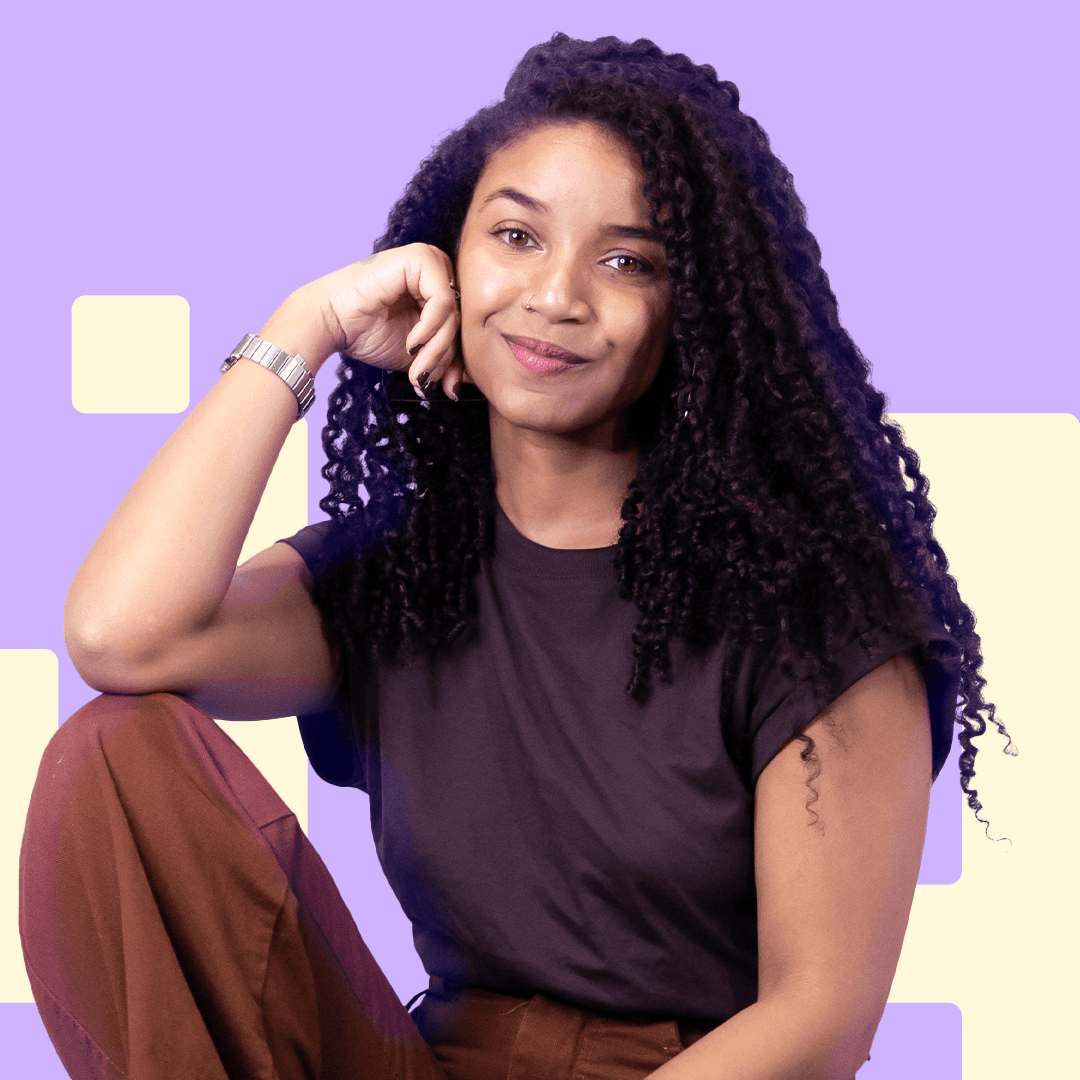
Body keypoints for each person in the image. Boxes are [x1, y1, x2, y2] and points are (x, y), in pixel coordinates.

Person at [22, 32, 1013, 1080]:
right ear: (445, 260)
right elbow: (120, 636)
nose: (555, 297)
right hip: (421, 1058)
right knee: (112, 754)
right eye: (515, 236)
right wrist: (302, 325)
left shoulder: (813, 618)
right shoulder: (403, 575)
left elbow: (819, 1024)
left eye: (628, 260)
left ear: (699, 314)